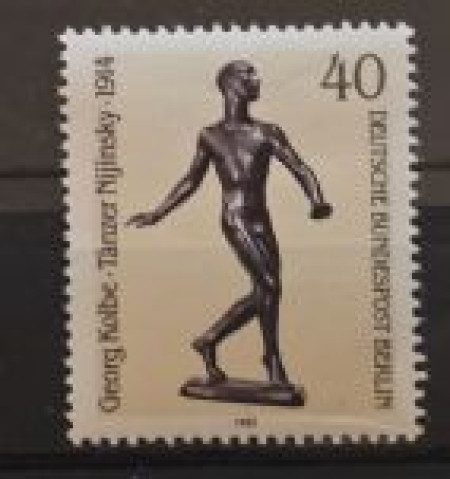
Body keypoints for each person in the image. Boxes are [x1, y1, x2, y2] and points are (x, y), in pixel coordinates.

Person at [127, 60, 332, 386]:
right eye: (248, 74)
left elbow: (299, 167)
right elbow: (191, 181)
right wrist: (158, 212)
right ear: (230, 84)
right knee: (269, 286)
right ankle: (270, 359)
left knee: (269, 291)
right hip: (236, 218)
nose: (257, 79)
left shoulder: (267, 132)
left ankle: (212, 341)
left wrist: (316, 199)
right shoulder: (211, 135)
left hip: (262, 219)